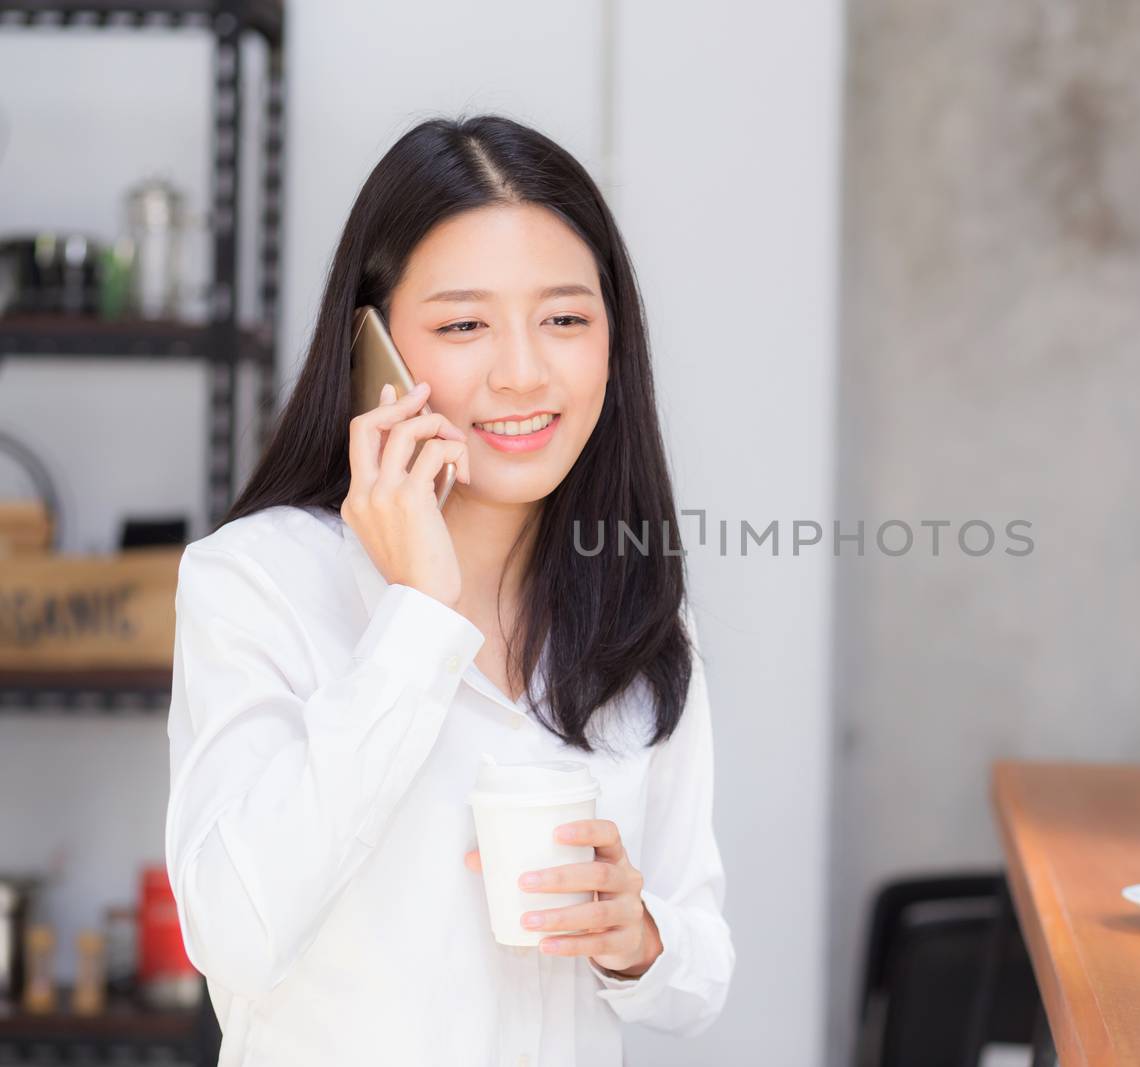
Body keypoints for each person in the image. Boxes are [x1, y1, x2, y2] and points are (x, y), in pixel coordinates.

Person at [162, 114, 733, 1066]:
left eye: (564, 319)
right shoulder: (257, 581)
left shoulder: (632, 609)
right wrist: (417, 618)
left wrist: (639, 940)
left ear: (612, 341)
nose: (521, 372)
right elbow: (235, 932)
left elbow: (700, 972)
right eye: (464, 324)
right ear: (372, 346)